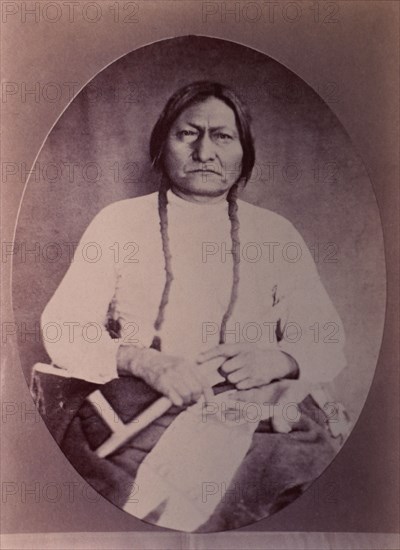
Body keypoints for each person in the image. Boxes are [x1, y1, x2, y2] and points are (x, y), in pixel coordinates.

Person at [39, 81, 348, 531]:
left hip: (253, 415)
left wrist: (279, 358)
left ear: (244, 152)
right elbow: (63, 326)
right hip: (141, 411)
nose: (205, 151)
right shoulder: (118, 223)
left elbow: (326, 335)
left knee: (297, 470)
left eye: (222, 136)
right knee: (117, 497)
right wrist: (144, 361)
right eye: (188, 134)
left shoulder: (275, 234)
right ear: (162, 143)